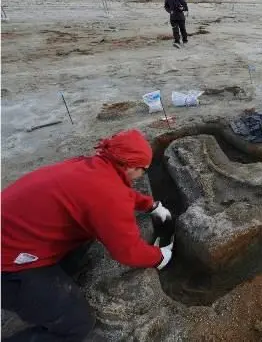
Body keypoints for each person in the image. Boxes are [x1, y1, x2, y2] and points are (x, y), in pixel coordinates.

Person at [1, 130, 174, 341]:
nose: (142, 175)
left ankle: (55, 280)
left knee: (86, 235)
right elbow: (128, 252)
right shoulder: (107, 194)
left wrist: (150, 205)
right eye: (143, 170)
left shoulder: (91, 165)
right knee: (77, 325)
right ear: (130, 166)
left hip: (15, 232)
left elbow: (114, 190)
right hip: (9, 263)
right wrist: (160, 257)